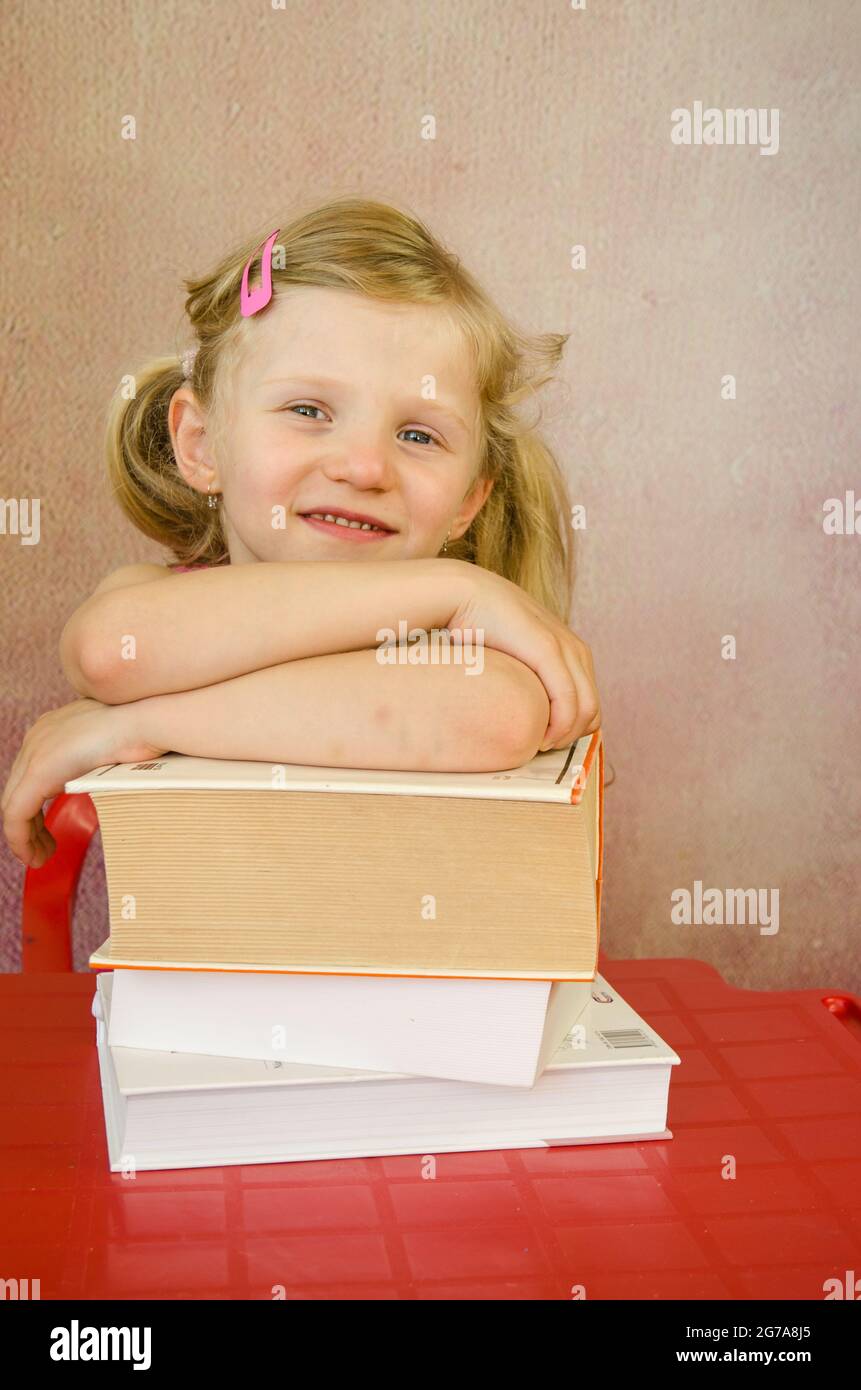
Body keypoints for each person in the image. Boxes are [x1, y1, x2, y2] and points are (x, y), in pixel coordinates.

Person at [2, 197, 600, 868]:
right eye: (309, 410)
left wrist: (138, 724)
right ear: (200, 445)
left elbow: (494, 718)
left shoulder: (456, 648)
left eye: (417, 434)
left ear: (469, 498)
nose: (364, 466)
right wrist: (457, 586)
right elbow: (110, 652)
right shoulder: (156, 603)